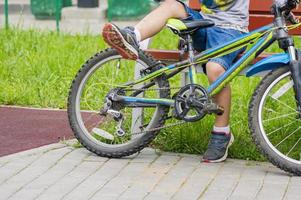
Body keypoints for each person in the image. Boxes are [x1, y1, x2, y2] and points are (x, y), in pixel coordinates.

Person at [102, 0, 288, 163]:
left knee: (215, 69)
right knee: (171, 6)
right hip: (203, 25)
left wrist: (284, 4)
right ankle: (133, 37)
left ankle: (221, 132)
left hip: (231, 31)